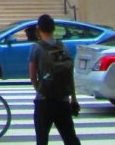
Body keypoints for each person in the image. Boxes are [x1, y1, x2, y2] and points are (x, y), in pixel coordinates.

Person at [30, 13, 81, 145]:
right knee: (70, 138)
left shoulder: (36, 47)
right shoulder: (62, 46)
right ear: (53, 29)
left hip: (44, 101)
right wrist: (73, 98)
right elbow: (69, 74)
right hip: (62, 100)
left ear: (38, 29)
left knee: (42, 140)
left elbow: (32, 75)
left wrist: (40, 90)